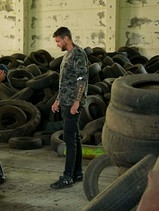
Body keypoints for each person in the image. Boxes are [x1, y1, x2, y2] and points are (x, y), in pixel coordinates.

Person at [50, 27, 89, 189]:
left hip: (72, 103)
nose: (57, 44)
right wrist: (58, 100)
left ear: (66, 38)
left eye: (59, 41)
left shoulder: (78, 54)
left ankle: (67, 177)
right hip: (65, 101)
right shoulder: (68, 55)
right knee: (75, 138)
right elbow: (66, 81)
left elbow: (82, 79)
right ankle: (78, 172)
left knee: (70, 140)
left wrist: (76, 102)